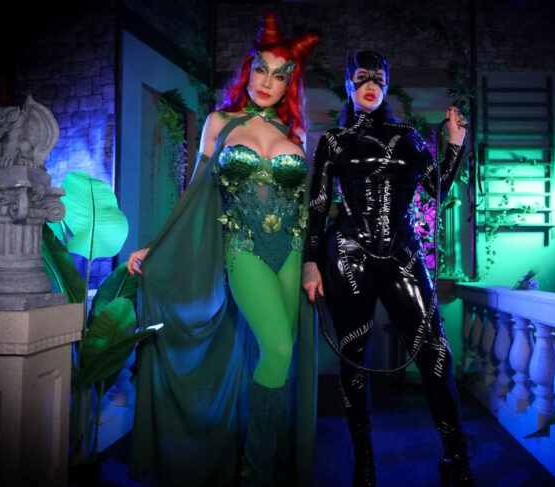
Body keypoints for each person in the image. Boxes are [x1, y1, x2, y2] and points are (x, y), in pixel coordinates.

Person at [126, 13, 319, 487]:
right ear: (248, 69)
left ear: (290, 83)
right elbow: (195, 191)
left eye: (279, 75)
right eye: (261, 69)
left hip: (291, 251)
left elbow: (308, 208)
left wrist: (312, 261)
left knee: (282, 357)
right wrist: (156, 244)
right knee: (277, 347)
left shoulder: (296, 134)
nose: (267, 81)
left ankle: (265, 459)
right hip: (244, 247)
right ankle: (256, 469)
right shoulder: (219, 122)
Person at [302, 51, 474, 487]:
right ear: (348, 84)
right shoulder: (334, 141)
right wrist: (310, 261)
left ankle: (456, 457)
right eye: (361, 78)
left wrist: (455, 143)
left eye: (378, 78)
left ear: (386, 84)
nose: (370, 85)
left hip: (402, 252)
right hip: (348, 252)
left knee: (435, 349)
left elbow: (436, 188)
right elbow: (319, 204)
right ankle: (363, 461)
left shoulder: (409, 137)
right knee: (353, 355)